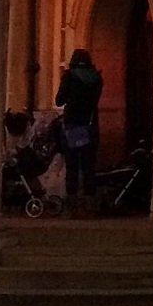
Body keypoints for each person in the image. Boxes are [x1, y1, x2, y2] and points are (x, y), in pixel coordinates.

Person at [54, 49, 103, 213]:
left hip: (73, 125)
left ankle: (72, 205)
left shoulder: (70, 77)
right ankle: (90, 205)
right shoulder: (96, 78)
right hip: (90, 125)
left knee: (72, 165)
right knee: (89, 165)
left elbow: (59, 101)